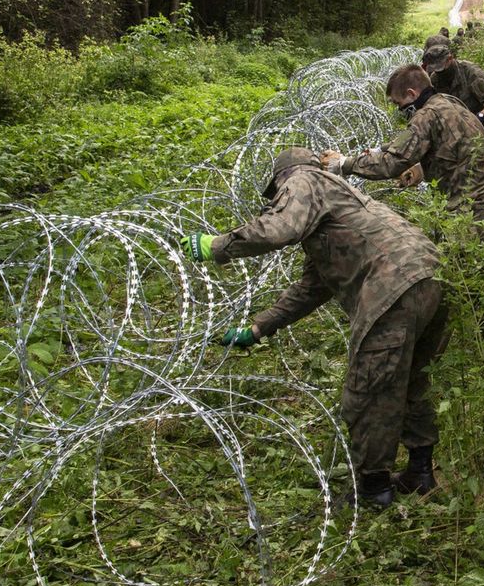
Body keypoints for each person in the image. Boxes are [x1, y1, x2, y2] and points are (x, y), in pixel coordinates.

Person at [180, 147, 446, 507]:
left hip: (393, 288)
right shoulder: (337, 205)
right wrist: (258, 329)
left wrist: (219, 246)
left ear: (281, 181)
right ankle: (419, 473)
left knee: (369, 392)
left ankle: (374, 491)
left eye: (277, 196)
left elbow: (279, 228)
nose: (278, 202)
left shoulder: (304, 180)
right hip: (432, 278)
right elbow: (311, 288)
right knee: (413, 379)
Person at [323, 64, 484, 222]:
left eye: (398, 103)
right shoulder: (448, 101)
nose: (399, 109)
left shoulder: (425, 116)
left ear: (411, 94)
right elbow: (447, 146)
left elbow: (392, 163)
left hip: (472, 213)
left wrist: (343, 163)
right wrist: (390, 154)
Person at [421, 35, 484, 151]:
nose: (440, 72)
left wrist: (479, 117)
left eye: (442, 67)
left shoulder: (469, 71)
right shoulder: (434, 79)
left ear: (450, 58)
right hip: (459, 127)